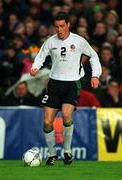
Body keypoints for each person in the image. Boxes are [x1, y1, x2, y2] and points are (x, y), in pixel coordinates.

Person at [30, 12, 102, 165]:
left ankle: (67, 151)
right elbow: (40, 56)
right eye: (56, 27)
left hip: (72, 84)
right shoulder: (50, 42)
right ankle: (52, 155)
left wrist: (95, 75)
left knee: (66, 115)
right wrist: (35, 67)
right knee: (47, 122)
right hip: (54, 84)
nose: (59, 30)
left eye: (62, 26)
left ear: (68, 25)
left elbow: (94, 56)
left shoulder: (79, 41)